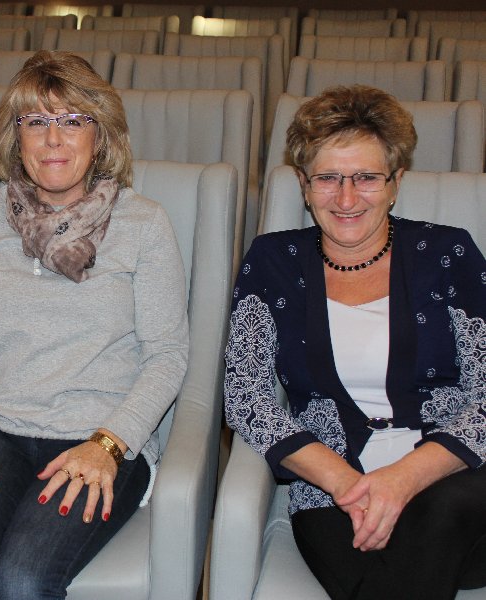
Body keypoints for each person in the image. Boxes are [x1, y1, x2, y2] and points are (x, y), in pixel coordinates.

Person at [0, 50, 189, 598]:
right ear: (16, 137)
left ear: (100, 137)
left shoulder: (144, 224)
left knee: (26, 580)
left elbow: (167, 355)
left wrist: (109, 445)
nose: (53, 138)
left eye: (72, 120)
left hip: (98, 435)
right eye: (36, 121)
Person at [225, 84, 486, 599]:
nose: (346, 199)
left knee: (440, 515)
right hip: (332, 489)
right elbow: (245, 397)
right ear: (304, 185)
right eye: (327, 178)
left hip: (455, 475)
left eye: (366, 177)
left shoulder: (448, 254)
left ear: (395, 182)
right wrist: (348, 485)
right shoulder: (272, 262)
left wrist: (402, 480)